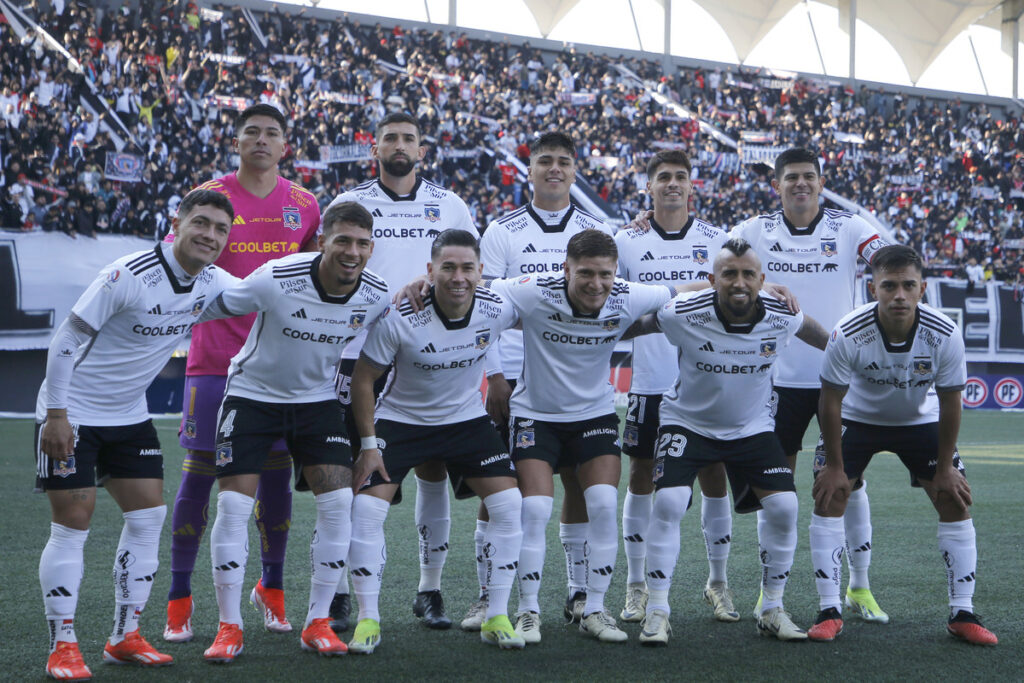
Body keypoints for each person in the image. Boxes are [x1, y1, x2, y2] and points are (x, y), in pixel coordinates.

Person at [35, 189, 236, 681]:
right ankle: (62, 645)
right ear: (178, 222)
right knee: (73, 522)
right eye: (202, 223)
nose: (210, 235)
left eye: (220, 229)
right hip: (73, 412)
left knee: (148, 518)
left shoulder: (211, 281)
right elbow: (67, 339)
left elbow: (265, 292)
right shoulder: (127, 273)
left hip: (128, 416)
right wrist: (56, 415)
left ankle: (124, 635)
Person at [200, 201, 389, 662]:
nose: (352, 251)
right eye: (342, 240)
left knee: (339, 504)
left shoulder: (377, 295)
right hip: (251, 396)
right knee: (233, 506)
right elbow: (210, 304)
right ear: (322, 241)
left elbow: (405, 316)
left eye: (362, 243)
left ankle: (317, 622)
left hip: (315, 404)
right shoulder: (278, 276)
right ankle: (229, 627)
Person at [165, 103, 321, 642]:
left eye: (271, 133)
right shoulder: (209, 197)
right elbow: (177, 260)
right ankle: (179, 596)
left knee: (275, 479)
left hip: (278, 367)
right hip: (213, 362)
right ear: (237, 142)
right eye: (250, 131)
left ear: (285, 145)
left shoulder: (305, 205)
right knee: (201, 476)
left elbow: (316, 276)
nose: (261, 139)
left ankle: (271, 588)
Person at [326, 112, 478, 632]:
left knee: (433, 470)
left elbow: (471, 269)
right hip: (356, 355)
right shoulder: (351, 203)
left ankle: (429, 590)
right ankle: (342, 592)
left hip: (427, 352)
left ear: (422, 149)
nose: (399, 145)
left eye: (408, 138)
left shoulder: (451, 204)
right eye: (390, 137)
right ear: (375, 147)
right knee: (354, 475)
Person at [637, 238, 828, 646]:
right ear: (712, 281)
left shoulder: (781, 314)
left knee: (784, 507)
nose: (738, 282)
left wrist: (844, 350)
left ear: (761, 280)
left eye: (747, 275)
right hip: (686, 422)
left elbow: (808, 328)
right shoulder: (682, 312)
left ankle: (771, 607)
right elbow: (641, 323)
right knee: (669, 502)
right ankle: (656, 610)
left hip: (751, 427)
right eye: (729, 274)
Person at [490, 229, 675, 643]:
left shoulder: (627, 294)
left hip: (594, 414)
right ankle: (528, 611)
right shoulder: (532, 289)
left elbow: (685, 290)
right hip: (535, 414)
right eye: (586, 273)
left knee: (604, 504)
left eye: (605, 274)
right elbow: (479, 290)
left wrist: (764, 285)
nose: (597, 284)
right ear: (565, 269)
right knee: (534, 510)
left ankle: (594, 609)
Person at [807, 245, 997, 645]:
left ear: (922, 288)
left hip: (919, 420)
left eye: (908, 286)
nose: (899, 295)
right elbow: (830, 401)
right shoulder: (848, 331)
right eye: (889, 286)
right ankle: (829, 610)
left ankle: (962, 612)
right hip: (857, 419)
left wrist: (945, 468)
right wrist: (836, 466)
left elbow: (949, 403)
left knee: (953, 498)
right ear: (872, 287)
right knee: (831, 493)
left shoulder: (944, 333)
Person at [346, 229, 524, 653]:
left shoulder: (499, 306)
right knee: (366, 510)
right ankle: (368, 620)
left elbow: (559, 289)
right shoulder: (401, 316)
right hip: (402, 421)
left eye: (467, 268)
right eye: (448, 267)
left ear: (482, 272)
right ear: (430, 271)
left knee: (510, 505)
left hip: (465, 420)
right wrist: (369, 445)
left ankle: (497, 614)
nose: (458, 277)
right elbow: (363, 378)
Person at [730, 147, 889, 621]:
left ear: (821, 183)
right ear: (776, 185)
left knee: (850, 484)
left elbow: (891, 260)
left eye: (809, 177)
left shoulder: (850, 226)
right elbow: (713, 267)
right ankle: (769, 591)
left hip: (837, 379)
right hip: (774, 380)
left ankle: (859, 587)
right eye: (791, 178)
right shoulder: (754, 230)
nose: (800, 184)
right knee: (774, 490)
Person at [465, 131, 613, 630]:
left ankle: (577, 593)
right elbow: (485, 309)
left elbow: (613, 298)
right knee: (505, 491)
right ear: (528, 169)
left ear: (575, 170)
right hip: (515, 382)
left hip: (577, 385)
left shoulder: (598, 228)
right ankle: (489, 595)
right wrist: (496, 377)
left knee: (578, 484)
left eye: (563, 162)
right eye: (544, 161)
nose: (554, 169)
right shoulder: (503, 230)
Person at [614, 149, 734, 624]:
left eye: (680, 177)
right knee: (641, 479)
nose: (672, 184)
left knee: (714, 476)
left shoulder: (718, 240)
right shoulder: (626, 240)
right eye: (663, 177)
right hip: (650, 383)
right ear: (649, 186)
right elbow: (613, 306)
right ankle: (636, 585)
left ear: (692, 186)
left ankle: (718, 583)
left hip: (708, 383)